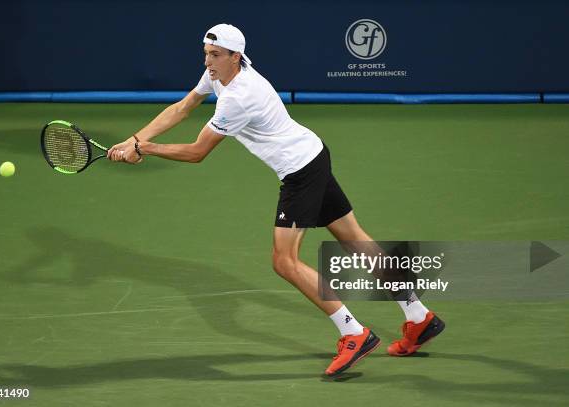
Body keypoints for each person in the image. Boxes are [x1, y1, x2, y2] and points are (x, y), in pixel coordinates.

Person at [108, 23, 444, 376]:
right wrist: (134, 139)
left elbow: (197, 152)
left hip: (300, 172)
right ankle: (419, 317)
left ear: (235, 57)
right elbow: (183, 107)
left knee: (284, 261)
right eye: (206, 53)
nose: (208, 61)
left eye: (216, 55)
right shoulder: (220, 72)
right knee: (354, 239)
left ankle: (353, 332)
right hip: (313, 154)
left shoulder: (239, 98)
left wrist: (146, 148)